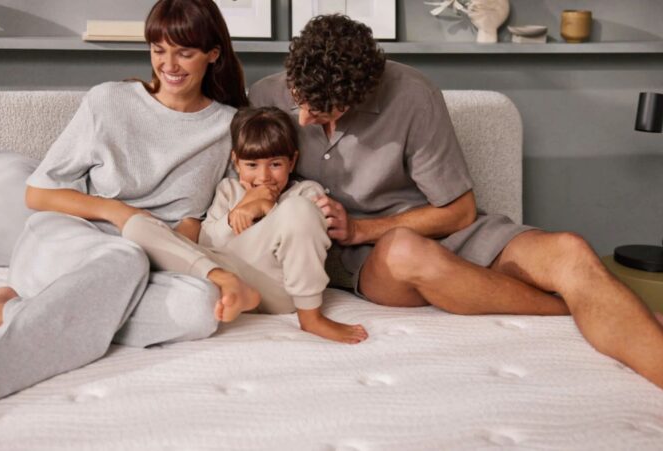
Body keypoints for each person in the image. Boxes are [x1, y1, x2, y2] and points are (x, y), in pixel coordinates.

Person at [0, 1, 257, 450]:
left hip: (146, 261)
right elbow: (37, 193)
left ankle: (8, 310)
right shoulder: (110, 101)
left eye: (184, 52)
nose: (168, 64)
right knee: (123, 257)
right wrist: (116, 212)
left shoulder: (228, 127)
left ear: (213, 54)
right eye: (158, 49)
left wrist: (181, 254)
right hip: (66, 241)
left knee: (201, 309)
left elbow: (200, 217)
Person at [249, 14, 663, 388]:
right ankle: (572, 309)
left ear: (361, 93)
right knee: (407, 250)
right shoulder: (265, 96)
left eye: (323, 111)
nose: (302, 119)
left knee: (570, 251)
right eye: (299, 100)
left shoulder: (412, 94)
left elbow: (460, 211)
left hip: (433, 229)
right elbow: (250, 190)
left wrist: (362, 227)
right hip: (365, 259)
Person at [123, 107, 369, 344]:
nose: (263, 177)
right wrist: (238, 212)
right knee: (137, 226)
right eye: (252, 165)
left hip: (276, 288)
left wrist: (266, 207)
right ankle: (231, 286)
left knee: (301, 210)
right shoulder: (228, 190)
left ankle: (311, 317)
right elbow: (208, 245)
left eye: (275, 164)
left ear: (292, 162)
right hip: (223, 275)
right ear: (236, 162)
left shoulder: (305, 192)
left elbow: (305, 247)